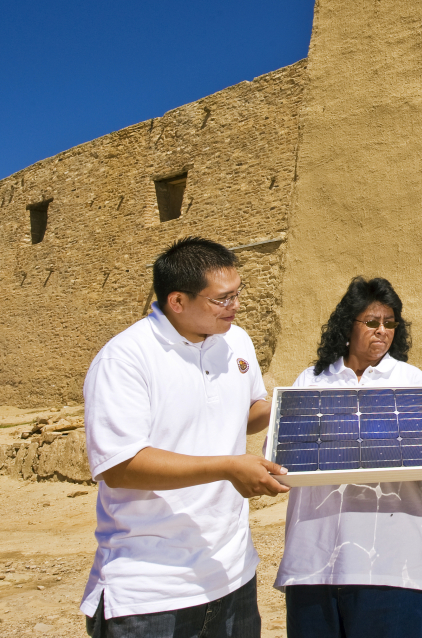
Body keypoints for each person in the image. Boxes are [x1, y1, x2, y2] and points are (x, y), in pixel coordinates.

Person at [80, 237, 288, 638]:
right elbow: (121, 466)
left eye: (237, 294)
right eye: (222, 299)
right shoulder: (124, 359)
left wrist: (299, 404)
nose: (236, 306)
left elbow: (243, 414)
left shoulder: (236, 341)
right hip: (151, 592)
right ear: (177, 301)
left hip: (233, 576)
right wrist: (227, 467)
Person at [276, 276, 422, 638]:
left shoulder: (411, 381)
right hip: (314, 564)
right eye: (372, 322)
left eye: (390, 323)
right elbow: (286, 454)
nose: (382, 331)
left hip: (391, 565)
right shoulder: (311, 382)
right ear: (347, 325)